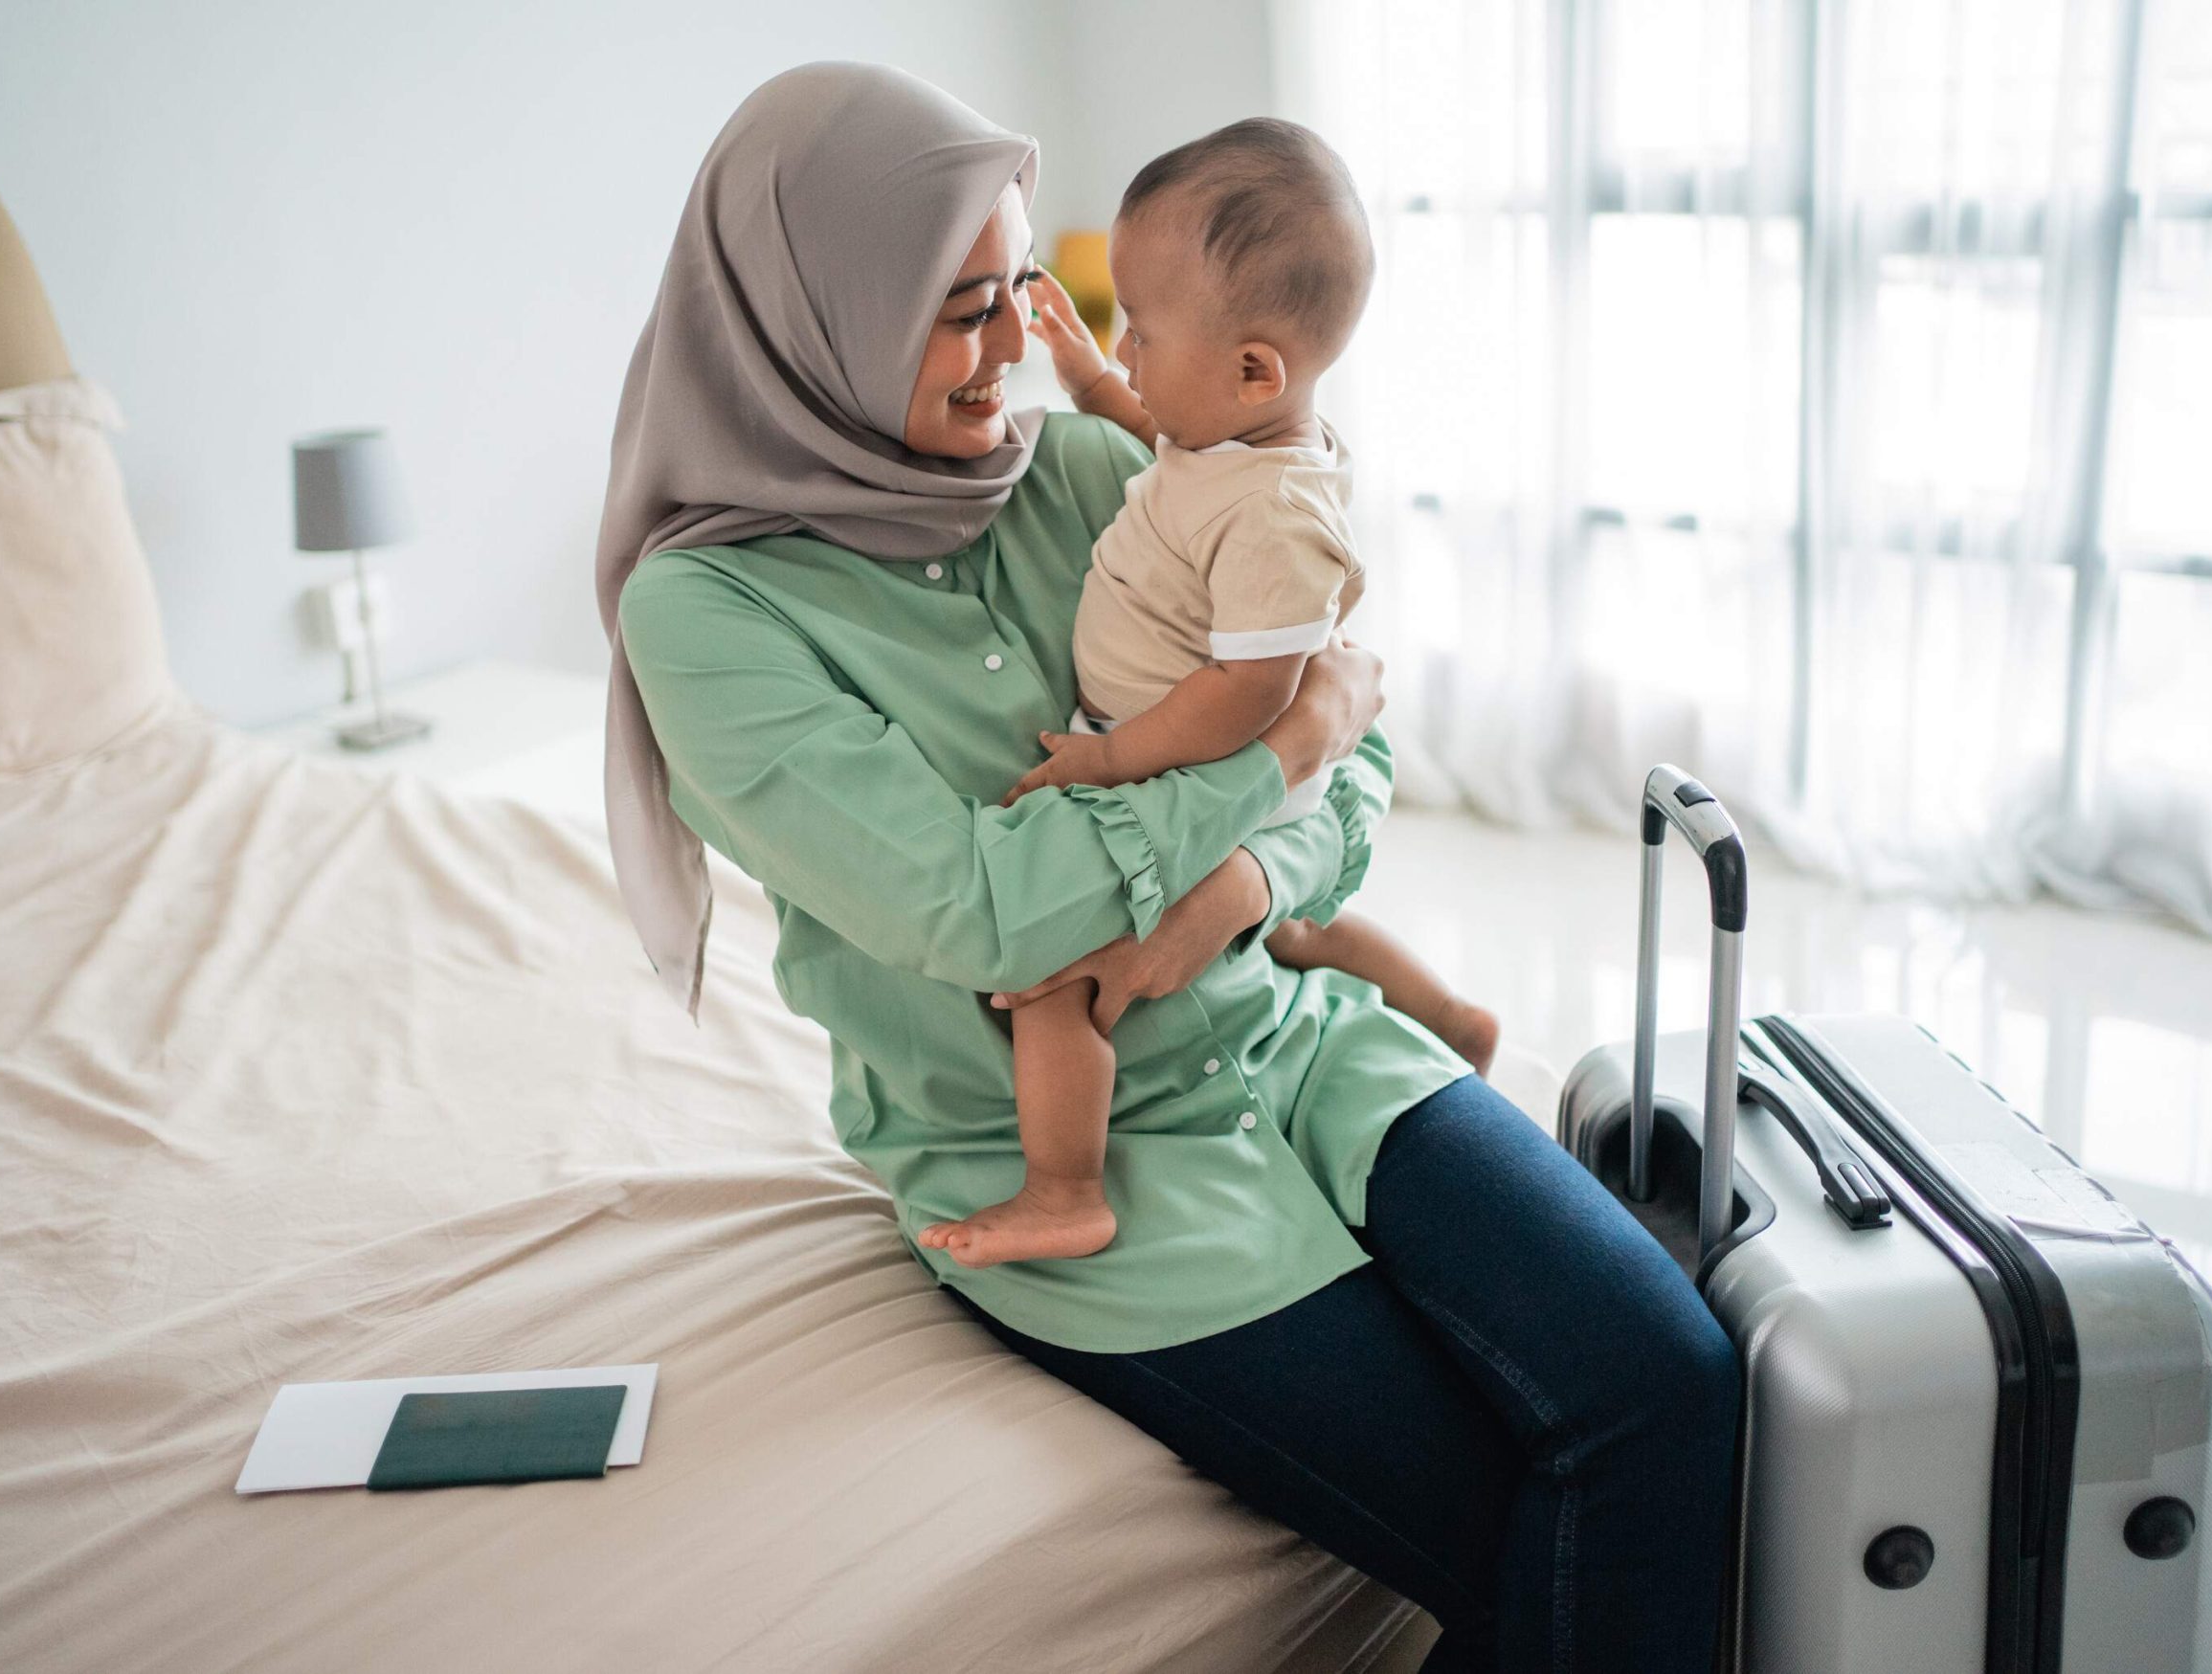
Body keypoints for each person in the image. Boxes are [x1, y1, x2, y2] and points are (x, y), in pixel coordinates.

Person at [598, 60, 1738, 1673]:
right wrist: (1274, 750)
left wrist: (1245, 884)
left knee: (1672, 1380)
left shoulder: (1078, 474)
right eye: (959, 307)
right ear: (813, 316)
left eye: (1021, 293)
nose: (1020, 346)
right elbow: (988, 906)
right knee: (1514, 1518)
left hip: (1302, 1042)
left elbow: (1367, 763)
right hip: (1069, 1167)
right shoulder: (709, 621)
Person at [916, 118, 1497, 1270]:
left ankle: (1063, 1188)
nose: (1126, 354)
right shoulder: (1237, 438)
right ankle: (1453, 1016)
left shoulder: (1279, 517)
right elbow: (1164, 438)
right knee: (1296, 927)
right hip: (1202, 764)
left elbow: (1252, 693)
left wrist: (1112, 760)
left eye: (1142, 332)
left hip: (1197, 769)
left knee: (1047, 984)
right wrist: (1082, 370)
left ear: (1251, 370)